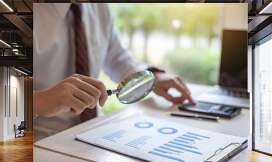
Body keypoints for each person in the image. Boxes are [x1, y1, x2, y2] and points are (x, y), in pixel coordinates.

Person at [33, 3, 194, 140]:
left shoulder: (98, 7)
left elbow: (117, 58)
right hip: (38, 140)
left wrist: (151, 77)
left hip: (95, 131)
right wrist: (37, 101)